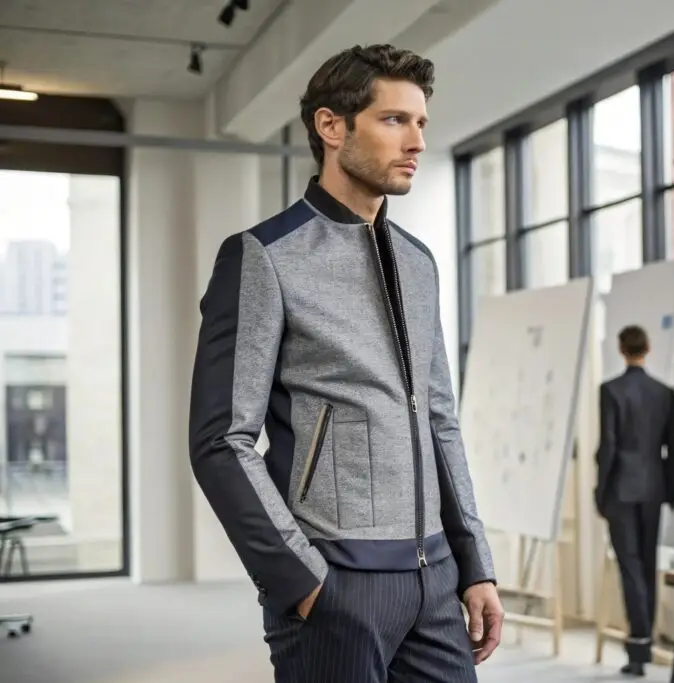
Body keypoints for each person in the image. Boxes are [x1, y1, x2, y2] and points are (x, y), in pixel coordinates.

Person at [188, 44, 503, 683]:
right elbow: (222, 440)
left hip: (435, 581)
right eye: (394, 120)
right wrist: (300, 581)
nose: (416, 141)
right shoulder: (264, 258)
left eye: (421, 122)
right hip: (338, 582)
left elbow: (439, 420)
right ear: (332, 127)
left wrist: (474, 563)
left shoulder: (418, 262)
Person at [595, 325, 674, 677]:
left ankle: (639, 646)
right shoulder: (664, 392)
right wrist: (670, 492)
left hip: (621, 490)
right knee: (647, 565)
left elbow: (608, 447)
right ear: (647, 348)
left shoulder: (611, 390)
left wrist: (600, 493)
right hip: (653, 490)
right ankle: (643, 642)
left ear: (621, 349)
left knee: (629, 567)